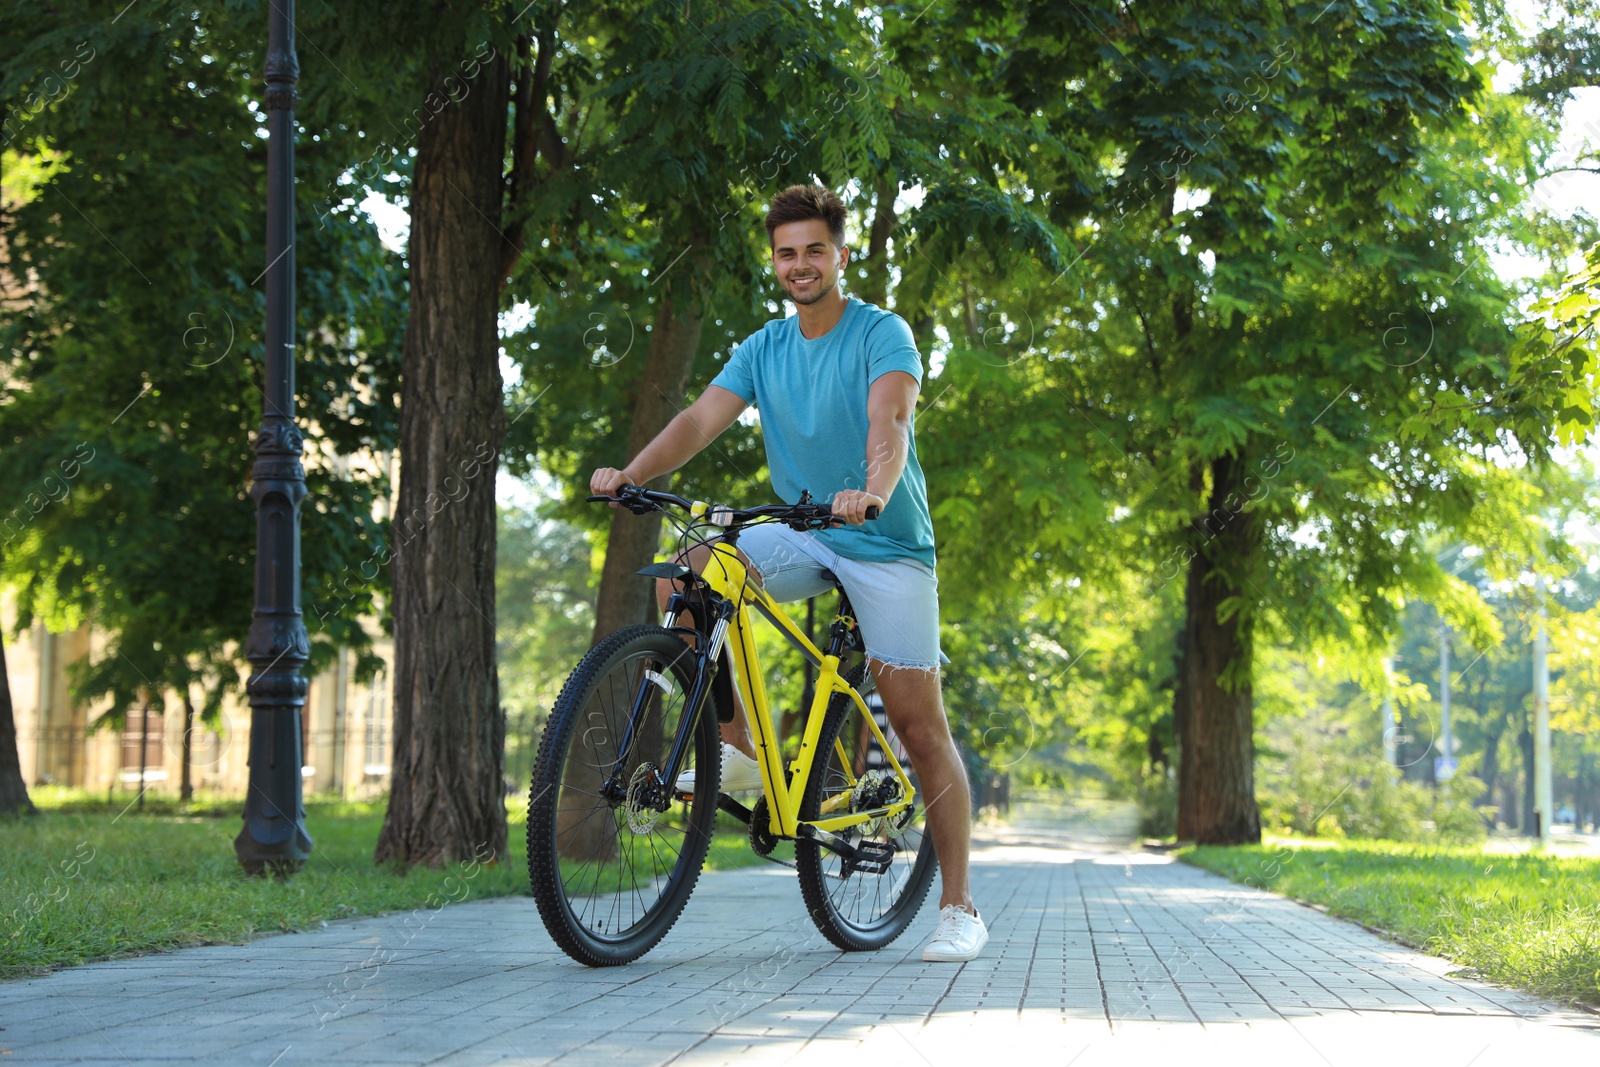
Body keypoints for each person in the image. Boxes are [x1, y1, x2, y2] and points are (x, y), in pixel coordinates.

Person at [589, 184, 986, 963]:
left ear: (840, 255)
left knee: (917, 723)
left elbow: (891, 421)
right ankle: (737, 748)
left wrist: (871, 488)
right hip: (804, 529)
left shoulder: (883, 333)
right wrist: (631, 474)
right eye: (786, 252)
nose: (799, 264)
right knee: (692, 567)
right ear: (774, 261)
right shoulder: (764, 347)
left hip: (882, 538)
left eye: (813, 250)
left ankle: (960, 905)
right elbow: (701, 418)